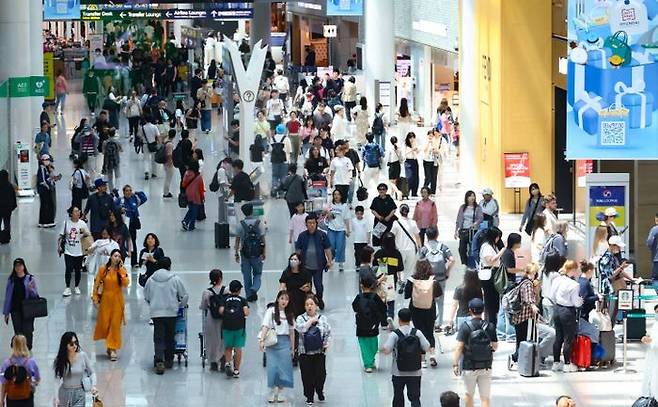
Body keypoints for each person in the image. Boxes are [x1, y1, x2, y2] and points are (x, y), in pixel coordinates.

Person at [144, 257, 188, 374]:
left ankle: (159, 360)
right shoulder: (175, 279)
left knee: (158, 337)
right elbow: (184, 296)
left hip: (156, 313)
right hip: (171, 312)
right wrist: (180, 305)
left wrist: (152, 305)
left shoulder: (151, 279)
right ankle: (169, 359)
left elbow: (147, 296)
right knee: (170, 335)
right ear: (169, 266)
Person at [380, 307, 431, 407]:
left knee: (398, 396)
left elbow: (387, 351)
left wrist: (381, 348)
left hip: (398, 372)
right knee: (415, 398)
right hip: (415, 372)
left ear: (399, 320)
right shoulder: (417, 333)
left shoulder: (395, 334)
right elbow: (427, 347)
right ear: (410, 319)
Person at [452, 298, 497, 407]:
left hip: (469, 366)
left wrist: (455, 364)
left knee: (469, 395)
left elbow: (459, 347)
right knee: (485, 397)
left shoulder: (465, 326)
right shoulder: (489, 326)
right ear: (483, 310)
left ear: (470, 310)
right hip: (486, 366)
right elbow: (495, 346)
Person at [92, 249, 129, 362]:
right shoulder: (103, 269)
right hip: (105, 301)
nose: (117, 258)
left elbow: (126, 284)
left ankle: (113, 349)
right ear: (111, 257)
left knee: (115, 325)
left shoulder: (121, 270)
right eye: (115, 255)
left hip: (117, 301)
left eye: (119, 256)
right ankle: (109, 345)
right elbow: (97, 284)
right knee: (105, 324)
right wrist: (95, 297)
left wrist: (121, 271)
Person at [259, 291, 295, 403]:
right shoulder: (271, 311)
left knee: (283, 369)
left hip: (285, 342)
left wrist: (293, 347)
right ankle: (272, 391)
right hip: (273, 341)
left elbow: (292, 332)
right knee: (273, 368)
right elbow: (265, 326)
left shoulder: (290, 314)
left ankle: (280, 392)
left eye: (286, 299)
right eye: (282, 298)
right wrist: (261, 340)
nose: (284, 301)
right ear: (278, 299)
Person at [295, 294, 331, 405]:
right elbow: (300, 329)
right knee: (306, 376)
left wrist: (327, 343)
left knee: (321, 375)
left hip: (319, 353)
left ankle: (319, 390)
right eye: (307, 304)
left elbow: (327, 332)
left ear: (316, 306)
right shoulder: (300, 318)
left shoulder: (323, 318)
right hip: (305, 353)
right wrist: (310, 321)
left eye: (311, 304)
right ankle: (309, 396)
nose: (309, 306)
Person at [405, 260, 441, 367]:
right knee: (430, 332)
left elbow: (406, 295)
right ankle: (432, 355)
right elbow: (438, 294)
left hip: (416, 310)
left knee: (419, 333)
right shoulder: (433, 280)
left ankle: (422, 359)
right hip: (430, 309)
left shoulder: (412, 280)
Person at [550, 260, 584, 373]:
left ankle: (556, 363)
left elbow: (552, 295)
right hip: (568, 311)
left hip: (557, 309)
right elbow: (576, 302)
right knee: (568, 338)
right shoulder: (574, 284)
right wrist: (581, 301)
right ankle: (567, 363)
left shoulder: (557, 279)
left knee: (558, 337)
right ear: (573, 270)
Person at [418, 226, 454, 331]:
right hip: (441, 277)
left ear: (426, 236)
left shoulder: (424, 249)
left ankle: (430, 321)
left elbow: (419, 263)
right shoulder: (443, 247)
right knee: (440, 300)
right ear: (437, 235)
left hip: (428, 278)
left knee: (428, 300)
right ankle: (439, 323)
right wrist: (447, 271)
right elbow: (452, 260)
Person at [295, 214, 333, 309]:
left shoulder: (322, 235)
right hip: (305, 267)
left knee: (319, 286)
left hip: (318, 266)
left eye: (313, 223)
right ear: (306, 224)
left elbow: (327, 248)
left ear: (316, 224)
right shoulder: (302, 236)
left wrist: (329, 261)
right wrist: (297, 263)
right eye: (309, 223)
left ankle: (319, 299)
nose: (311, 225)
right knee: (307, 287)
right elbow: (298, 251)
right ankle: (309, 304)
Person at [352, 274, 387, 373]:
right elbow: (383, 309)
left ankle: (368, 364)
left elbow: (354, 308)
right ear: (372, 285)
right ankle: (371, 361)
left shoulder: (358, 297)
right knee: (373, 344)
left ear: (361, 286)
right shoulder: (375, 297)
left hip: (361, 327)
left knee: (364, 346)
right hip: (374, 326)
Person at [508, 263, 541, 368]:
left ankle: (516, 358)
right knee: (525, 339)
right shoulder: (528, 284)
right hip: (526, 316)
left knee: (520, 339)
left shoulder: (521, 281)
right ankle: (515, 357)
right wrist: (533, 306)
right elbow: (528, 298)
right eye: (534, 273)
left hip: (518, 316)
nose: (535, 275)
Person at [598, 235, 637, 321]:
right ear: (613, 246)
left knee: (613, 312)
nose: (619, 249)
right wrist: (621, 267)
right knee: (609, 314)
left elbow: (619, 271)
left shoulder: (613, 257)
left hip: (613, 289)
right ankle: (607, 332)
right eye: (618, 246)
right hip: (608, 289)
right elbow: (610, 275)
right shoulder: (607, 258)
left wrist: (631, 279)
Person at [2, 259, 39, 350]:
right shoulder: (11, 280)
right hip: (15, 310)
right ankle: (19, 349)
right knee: (18, 331)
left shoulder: (30, 278)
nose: (18, 268)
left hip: (28, 310)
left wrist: (31, 289)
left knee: (28, 330)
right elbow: (8, 297)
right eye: (16, 266)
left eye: (20, 265)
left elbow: (36, 296)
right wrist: (6, 313)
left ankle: (28, 348)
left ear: (23, 266)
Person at [53, 331, 97, 407]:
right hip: (64, 393)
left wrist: (93, 386)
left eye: (76, 342)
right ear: (65, 345)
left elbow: (92, 372)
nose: (74, 346)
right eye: (71, 344)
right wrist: (56, 397)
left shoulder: (83, 356)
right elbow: (56, 380)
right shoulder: (60, 360)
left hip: (79, 393)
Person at [233, 203, 265, 302]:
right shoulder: (259, 223)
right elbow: (263, 239)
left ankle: (249, 295)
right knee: (258, 273)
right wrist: (264, 252)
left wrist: (236, 253)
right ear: (252, 211)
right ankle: (255, 287)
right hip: (257, 253)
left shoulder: (240, 225)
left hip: (245, 254)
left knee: (246, 274)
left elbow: (237, 241)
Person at [219, 280, 250, 378]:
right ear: (239, 290)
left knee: (228, 347)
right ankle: (236, 370)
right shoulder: (242, 300)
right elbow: (246, 312)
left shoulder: (225, 299)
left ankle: (228, 363)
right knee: (238, 348)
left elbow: (221, 311)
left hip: (227, 326)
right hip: (239, 327)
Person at [58, 207, 90, 297]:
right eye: (76, 211)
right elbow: (61, 236)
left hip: (79, 251)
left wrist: (84, 234)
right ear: (71, 213)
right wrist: (59, 247)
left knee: (77, 269)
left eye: (79, 211)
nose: (78, 213)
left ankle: (76, 286)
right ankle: (67, 287)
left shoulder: (82, 223)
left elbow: (88, 234)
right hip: (68, 250)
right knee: (68, 268)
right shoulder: (66, 223)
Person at [0, 335, 40, 407]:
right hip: (26, 397)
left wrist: (1, 400)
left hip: (11, 398)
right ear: (25, 345)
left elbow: (3, 383)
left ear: (13, 346)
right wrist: (33, 384)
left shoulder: (6, 363)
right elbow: (37, 379)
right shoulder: (31, 362)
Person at [478, 227, 506, 327]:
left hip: (493, 274)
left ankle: (493, 321)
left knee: (494, 300)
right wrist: (502, 251)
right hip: (488, 276)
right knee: (490, 301)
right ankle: (491, 323)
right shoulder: (486, 247)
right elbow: (490, 260)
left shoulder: (492, 246)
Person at [200, 269, 226, 372]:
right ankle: (224, 358)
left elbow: (203, 306)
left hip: (211, 318)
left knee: (212, 340)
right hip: (225, 318)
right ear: (220, 278)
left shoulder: (207, 292)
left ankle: (213, 362)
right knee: (223, 339)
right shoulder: (227, 290)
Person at [391, 204, 421, 289]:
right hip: (411, 249)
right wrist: (420, 247)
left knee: (400, 267)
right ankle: (408, 283)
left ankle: (401, 281)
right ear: (408, 212)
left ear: (400, 212)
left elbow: (392, 236)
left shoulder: (396, 223)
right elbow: (417, 236)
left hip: (399, 249)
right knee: (409, 268)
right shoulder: (413, 222)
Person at [445, 269, 483, 335]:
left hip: (461, 316)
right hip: (474, 317)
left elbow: (454, 306)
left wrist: (450, 321)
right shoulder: (478, 289)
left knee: (461, 340)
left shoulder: (459, 289)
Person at [324, 189, 351, 272]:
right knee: (331, 246)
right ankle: (330, 260)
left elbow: (346, 218)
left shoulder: (344, 206)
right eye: (335, 194)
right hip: (331, 228)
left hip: (341, 229)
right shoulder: (330, 205)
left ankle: (340, 262)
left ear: (341, 196)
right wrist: (328, 212)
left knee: (340, 246)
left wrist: (348, 230)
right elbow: (327, 217)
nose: (336, 196)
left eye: (338, 194)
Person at [455, 191, 484, 265]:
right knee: (461, 249)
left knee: (473, 248)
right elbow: (458, 219)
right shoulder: (462, 207)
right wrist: (456, 230)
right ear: (466, 198)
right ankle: (465, 262)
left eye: (473, 196)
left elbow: (480, 218)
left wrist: (475, 223)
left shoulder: (477, 207)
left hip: (473, 231)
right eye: (470, 196)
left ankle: (474, 263)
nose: (472, 197)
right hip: (464, 230)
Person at [181, 160, 205, 231]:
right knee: (194, 211)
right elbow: (201, 188)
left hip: (188, 194)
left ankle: (185, 221)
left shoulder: (186, 173)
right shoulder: (199, 176)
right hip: (196, 195)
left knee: (191, 209)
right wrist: (202, 197)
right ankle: (190, 225)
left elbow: (183, 184)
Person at [36, 154, 59, 228]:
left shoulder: (47, 168)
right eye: (45, 160)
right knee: (45, 205)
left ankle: (48, 220)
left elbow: (48, 178)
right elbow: (42, 180)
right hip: (44, 191)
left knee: (48, 205)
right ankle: (45, 221)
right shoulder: (42, 168)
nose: (47, 161)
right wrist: (48, 186)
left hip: (48, 190)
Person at [641, 304, 658, 398]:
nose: (657, 315)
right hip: (653, 356)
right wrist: (648, 339)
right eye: (656, 312)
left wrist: (652, 341)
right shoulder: (656, 324)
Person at [270, 124, 292, 196]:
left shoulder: (272, 138)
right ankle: (282, 191)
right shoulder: (286, 139)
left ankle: (274, 189)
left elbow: (270, 150)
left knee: (275, 175)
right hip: (284, 160)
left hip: (274, 160)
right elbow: (289, 150)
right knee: (283, 175)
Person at [422, 130, 442, 195]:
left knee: (434, 177)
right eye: (429, 135)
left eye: (432, 135)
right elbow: (424, 150)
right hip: (426, 161)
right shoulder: (425, 141)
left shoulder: (435, 141)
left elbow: (437, 150)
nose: (430, 137)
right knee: (428, 177)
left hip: (434, 161)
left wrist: (434, 148)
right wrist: (428, 143)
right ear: (427, 135)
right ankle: (424, 190)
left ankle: (433, 192)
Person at [0, 170, 17, 244]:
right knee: (7, 223)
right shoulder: (10, 186)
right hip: (7, 209)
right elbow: (13, 198)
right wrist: (13, 206)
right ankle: (6, 238)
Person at [403, 132, 419, 197]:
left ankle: (414, 192)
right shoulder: (405, 144)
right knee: (409, 177)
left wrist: (415, 149)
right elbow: (404, 153)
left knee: (416, 177)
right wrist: (412, 149)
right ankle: (407, 192)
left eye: (413, 138)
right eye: (410, 138)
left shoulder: (415, 143)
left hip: (415, 161)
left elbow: (418, 152)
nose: (412, 139)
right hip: (408, 162)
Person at [647, 213, 658, 293]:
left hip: (657, 258)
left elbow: (649, 242)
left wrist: (652, 248)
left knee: (655, 278)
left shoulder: (655, 229)